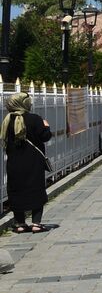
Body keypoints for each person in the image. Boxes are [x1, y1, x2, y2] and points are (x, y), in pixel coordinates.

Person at [2, 93, 54, 233]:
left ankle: (20, 223)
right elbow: (44, 136)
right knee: (36, 189)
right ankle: (36, 223)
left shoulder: (7, 120)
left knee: (16, 190)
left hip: (14, 162)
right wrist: (46, 126)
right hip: (33, 162)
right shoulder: (34, 119)